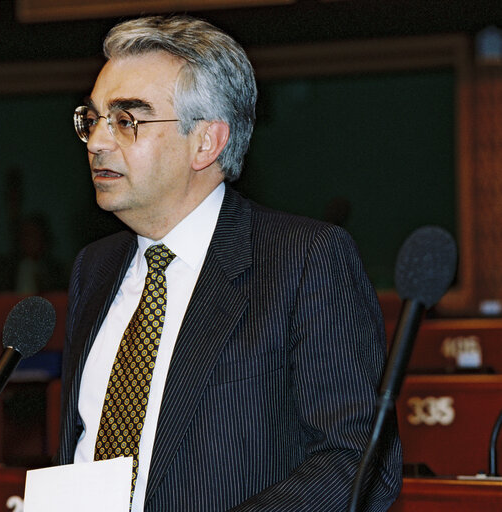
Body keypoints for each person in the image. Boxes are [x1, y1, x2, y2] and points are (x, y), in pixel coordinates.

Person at [56, 15, 402, 512]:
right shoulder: (96, 268)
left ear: (207, 142)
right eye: (92, 119)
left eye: (127, 119)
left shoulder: (304, 261)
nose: (97, 142)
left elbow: (357, 463)